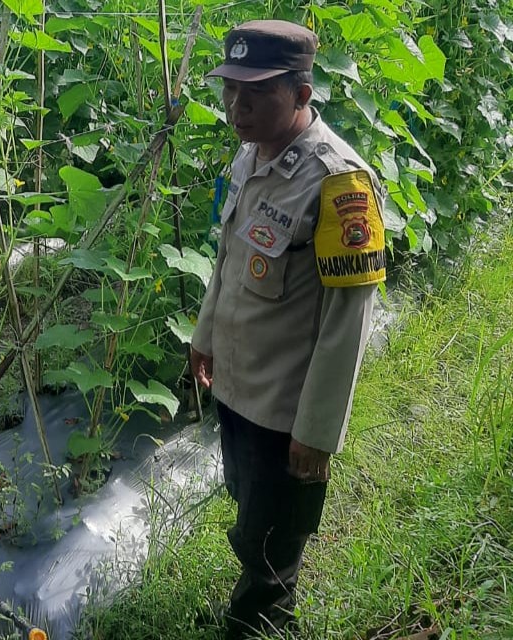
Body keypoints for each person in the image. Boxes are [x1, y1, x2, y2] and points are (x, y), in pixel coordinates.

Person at [189, 20, 387, 639]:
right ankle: (256, 596)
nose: (236, 108)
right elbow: (228, 255)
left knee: (274, 546)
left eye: (256, 94)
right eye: (231, 91)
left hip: (285, 407)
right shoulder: (252, 153)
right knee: (251, 514)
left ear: (302, 94)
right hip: (239, 386)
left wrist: (317, 431)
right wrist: (204, 334)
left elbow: (346, 323)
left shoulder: (339, 184)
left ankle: (260, 623)